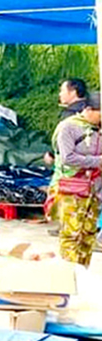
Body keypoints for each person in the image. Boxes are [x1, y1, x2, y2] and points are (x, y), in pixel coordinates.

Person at [51, 92, 102, 266]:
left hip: (94, 189)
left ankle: (82, 270)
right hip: (72, 188)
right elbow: (67, 158)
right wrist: (97, 161)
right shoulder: (68, 127)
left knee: (88, 234)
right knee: (71, 234)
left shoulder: (98, 129)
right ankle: (70, 274)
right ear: (89, 110)